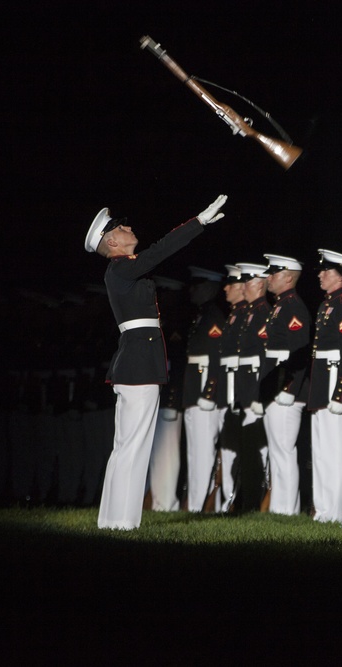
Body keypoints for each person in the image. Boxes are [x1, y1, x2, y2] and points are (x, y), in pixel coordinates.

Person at [83, 194, 227, 530]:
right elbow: (160, 250)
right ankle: (121, 521)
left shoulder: (121, 270)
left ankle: (113, 518)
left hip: (136, 363)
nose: (130, 228)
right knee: (133, 446)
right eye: (123, 227)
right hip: (138, 366)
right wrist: (198, 223)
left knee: (127, 445)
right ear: (112, 240)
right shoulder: (120, 268)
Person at [307, 249, 342, 523]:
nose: (320, 275)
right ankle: (323, 509)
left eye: (326, 271)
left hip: (333, 384)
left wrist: (341, 392)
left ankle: (336, 509)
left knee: (335, 451)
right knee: (322, 450)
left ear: (341, 275)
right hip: (321, 383)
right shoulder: (328, 304)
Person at [258, 254, 312, 515]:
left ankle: (287, 509)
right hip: (275, 387)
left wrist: (289, 389)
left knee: (284, 450)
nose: (268, 278)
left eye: (274, 273)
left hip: (286, 389)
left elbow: (298, 352)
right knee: (276, 450)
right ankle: (279, 506)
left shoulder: (294, 307)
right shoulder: (281, 305)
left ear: (288, 277)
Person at [182, 266, 230, 512]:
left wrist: (209, 392)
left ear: (210, 288)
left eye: (198, 285)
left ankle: (202, 504)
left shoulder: (213, 316)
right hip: (194, 391)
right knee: (195, 451)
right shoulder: (202, 315)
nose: (192, 290)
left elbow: (216, 357)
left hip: (204, 393)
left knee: (203, 452)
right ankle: (196, 501)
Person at [228, 262, 272, 511]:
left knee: (261, 450)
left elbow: (262, 357)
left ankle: (259, 499)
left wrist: (256, 394)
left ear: (258, 283)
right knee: (249, 448)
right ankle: (248, 498)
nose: (241, 286)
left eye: (247, 281)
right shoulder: (251, 313)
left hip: (254, 387)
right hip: (245, 387)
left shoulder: (264, 311)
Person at [147, 274, 189, 512]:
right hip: (160, 393)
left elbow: (178, 364)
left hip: (170, 396)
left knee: (166, 452)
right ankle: (158, 501)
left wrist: (173, 396)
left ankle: (165, 503)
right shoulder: (164, 322)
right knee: (158, 452)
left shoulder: (178, 324)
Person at [214, 263, 249, 511]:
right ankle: (227, 499)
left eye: (233, 284)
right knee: (227, 448)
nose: (227, 288)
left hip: (239, 389)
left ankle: (235, 498)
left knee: (240, 447)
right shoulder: (235, 314)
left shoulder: (247, 314)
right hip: (229, 389)